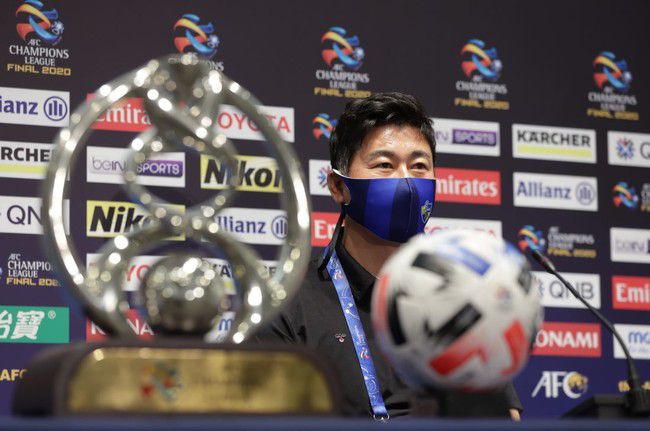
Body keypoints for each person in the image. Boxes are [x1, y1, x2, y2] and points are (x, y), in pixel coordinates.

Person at [256, 92, 522, 420]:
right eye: (385, 165)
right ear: (338, 187)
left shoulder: (465, 298)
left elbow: (504, 419)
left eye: (419, 166)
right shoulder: (287, 301)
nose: (406, 180)